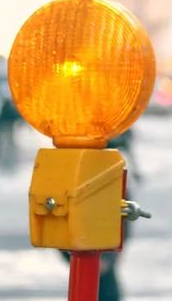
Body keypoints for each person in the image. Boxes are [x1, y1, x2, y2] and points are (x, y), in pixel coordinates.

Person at [59, 128, 141, 300]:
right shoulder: (76, 176)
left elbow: (123, 218)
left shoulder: (111, 179)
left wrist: (112, 256)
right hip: (87, 251)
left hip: (100, 253)